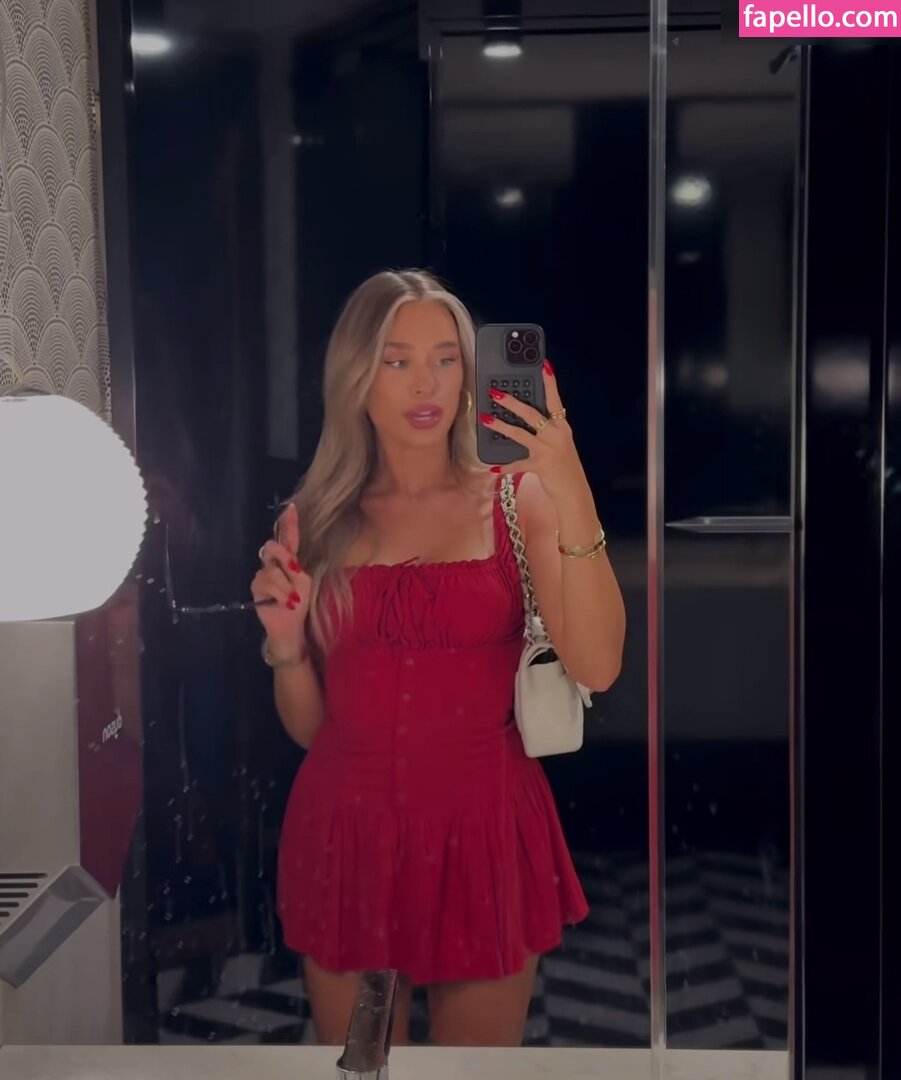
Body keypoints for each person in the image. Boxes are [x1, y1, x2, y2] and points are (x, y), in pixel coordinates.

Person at [250, 269, 625, 1046]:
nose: (425, 383)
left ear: (469, 373)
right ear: (356, 376)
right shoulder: (314, 521)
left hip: (483, 830)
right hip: (346, 835)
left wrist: (569, 483)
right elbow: (312, 730)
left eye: (446, 359)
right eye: (396, 360)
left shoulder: (518, 499)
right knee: (360, 1070)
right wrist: (285, 647)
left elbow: (597, 667)